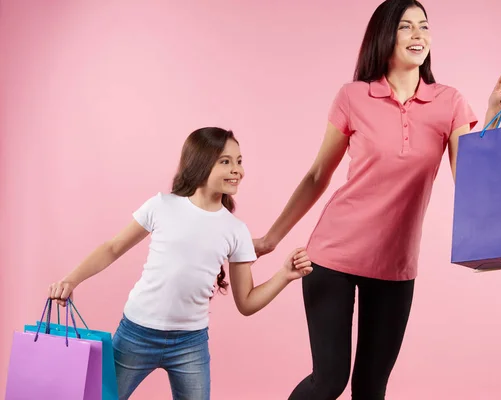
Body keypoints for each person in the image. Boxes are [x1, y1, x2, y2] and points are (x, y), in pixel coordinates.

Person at [252, 1, 501, 399]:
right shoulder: (353, 96)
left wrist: (492, 115)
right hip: (333, 255)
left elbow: (469, 182)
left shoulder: (449, 103)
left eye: (424, 27)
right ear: (384, 36)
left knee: (370, 387)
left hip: (396, 264)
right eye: (406, 27)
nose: (419, 35)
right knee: (328, 380)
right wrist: (271, 239)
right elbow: (316, 176)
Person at [48, 127, 313, 400]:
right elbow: (112, 248)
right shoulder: (162, 206)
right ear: (200, 163)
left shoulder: (236, 230)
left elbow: (246, 303)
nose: (237, 170)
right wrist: (71, 279)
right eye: (226, 161)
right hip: (136, 333)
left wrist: (284, 275)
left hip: (190, 344)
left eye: (239, 161)